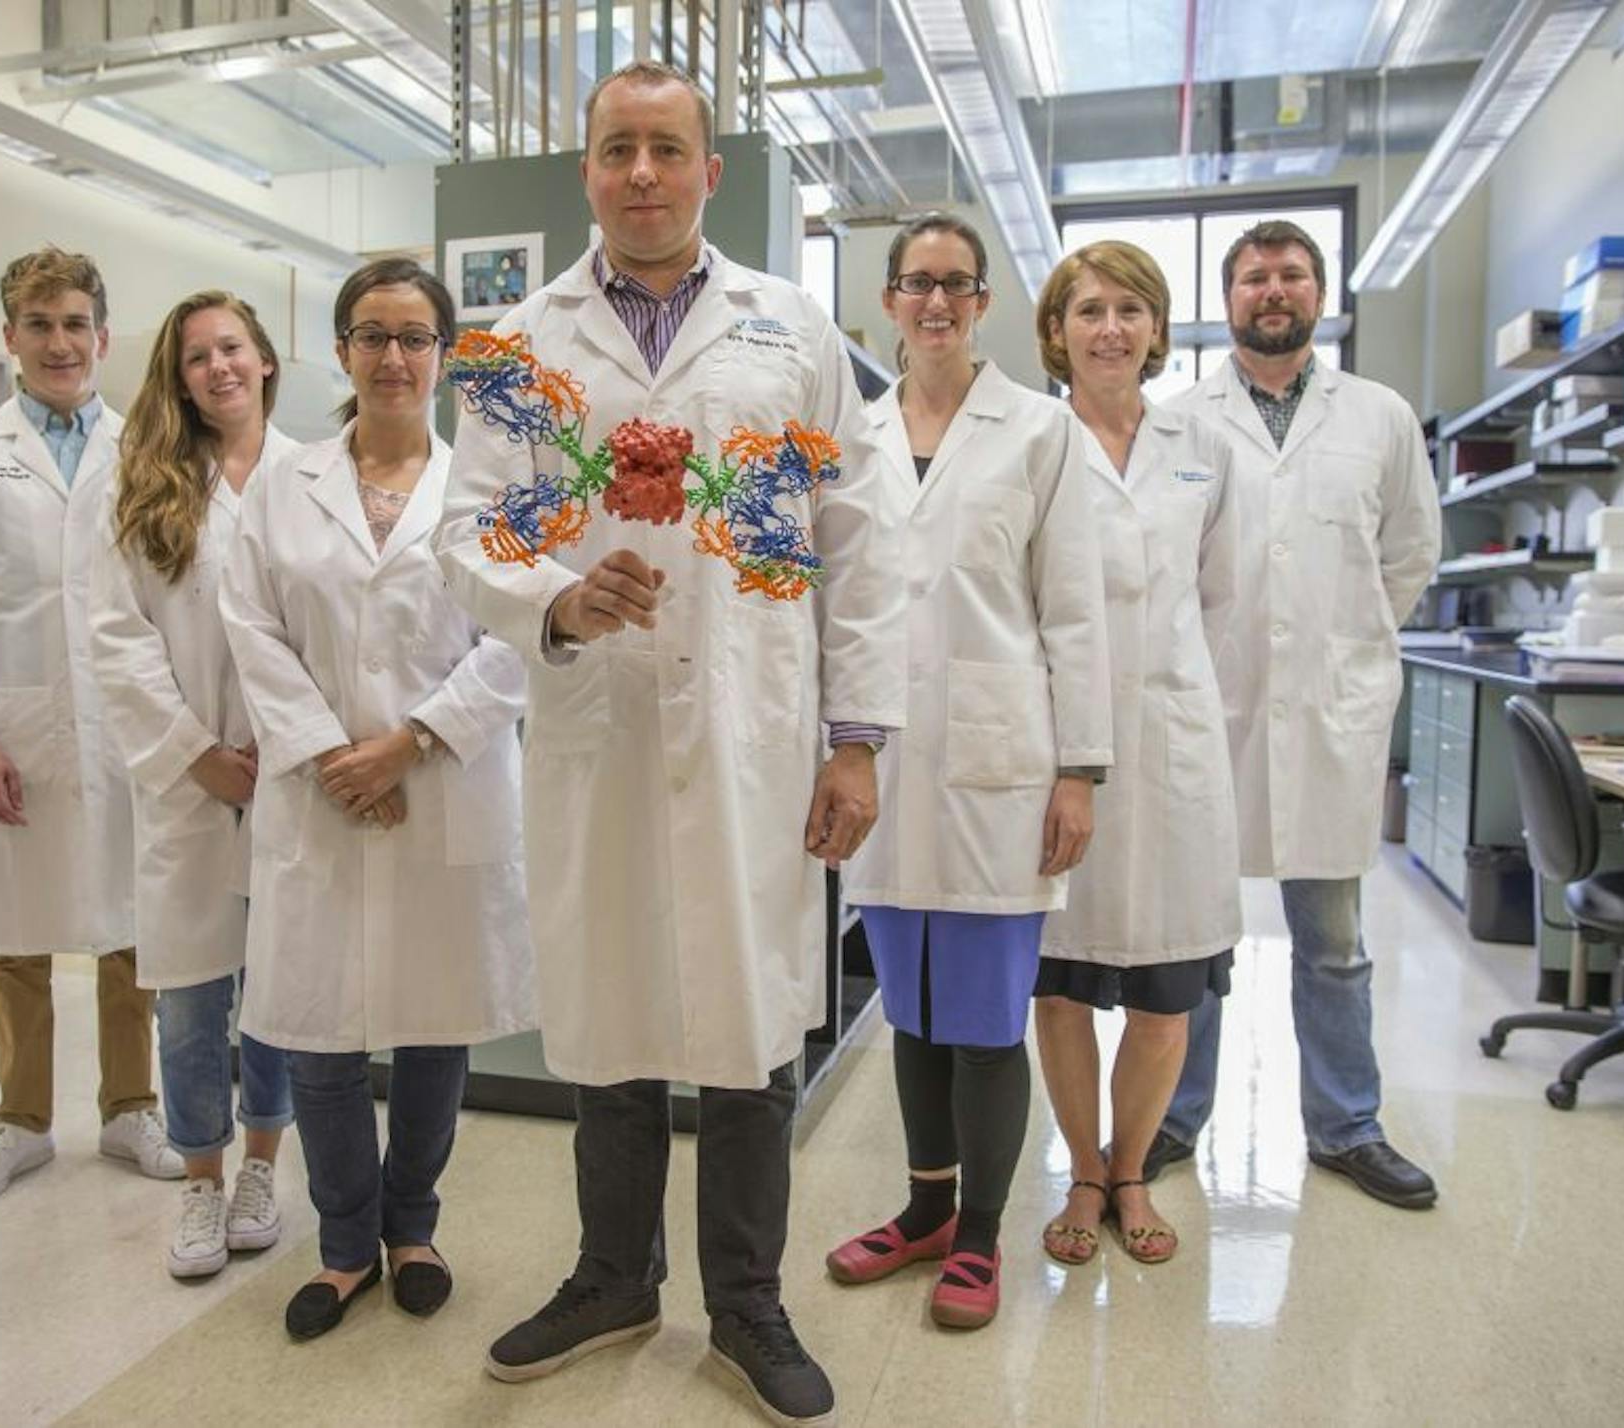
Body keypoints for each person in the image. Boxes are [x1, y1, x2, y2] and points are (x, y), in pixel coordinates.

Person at [434, 60, 904, 1428]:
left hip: (758, 735)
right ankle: (612, 1278)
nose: (642, 172)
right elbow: (468, 533)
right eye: (617, 149)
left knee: (751, 1025)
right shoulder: (521, 345)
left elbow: (862, 550)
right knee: (609, 1013)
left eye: (667, 149)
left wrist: (858, 741)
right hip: (596, 726)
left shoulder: (793, 335)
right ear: (586, 171)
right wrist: (554, 601)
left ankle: (745, 1302)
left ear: (708, 170)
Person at [219, 257, 535, 1340]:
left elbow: (518, 636)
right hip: (321, 797)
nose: (393, 356)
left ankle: (415, 1228)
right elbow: (249, 627)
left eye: (413, 337)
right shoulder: (282, 483)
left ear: (444, 358)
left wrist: (407, 745)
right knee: (319, 1032)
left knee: (435, 1024)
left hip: (436, 782)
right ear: (343, 352)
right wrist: (328, 756)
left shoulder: (485, 491)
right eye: (371, 335)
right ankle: (346, 1243)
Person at [822, 215, 1109, 1331]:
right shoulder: (853, 433)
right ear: (888, 301)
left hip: (1003, 763)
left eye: (955, 284)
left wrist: (1080, 769)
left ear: (983, 301)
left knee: (986, 1019)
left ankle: (981, 1234)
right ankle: (924, 1208)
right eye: (915, 284)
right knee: (913, 1014)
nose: (934, 303)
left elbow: (1074, 610)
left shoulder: (1040, 430)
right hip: (884, 764)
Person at [1155, 219, 1442, 1209]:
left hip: (1331, 711)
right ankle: (1173, 1115)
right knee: (1194, 937)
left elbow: (1409, 554)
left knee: (1332, 943)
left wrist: (1347, 645)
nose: (1271, 291)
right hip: (1213, 710)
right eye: (1251, 278)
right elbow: (1163, 566)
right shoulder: (1181, 421)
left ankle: (1346, 1124)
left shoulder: (1380, 417)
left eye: (1290, 275)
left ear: (1320, 294)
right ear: (1226, 299)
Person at [0, 245, 180, 1208]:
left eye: (75, 324)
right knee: (15, 930)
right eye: (40, 325)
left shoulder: (145, 448)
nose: (59, 343)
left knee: (131, 926)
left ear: (102, 337)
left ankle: (129, 1108)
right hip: (15, 727)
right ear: (10, 339)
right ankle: (20, 1124)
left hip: (124, 723)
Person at [1027, 241, 1242, 1269]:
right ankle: (1079, 1165)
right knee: (1061, 983)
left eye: (1129, 309)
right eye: (1088, 310)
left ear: (1157, 329)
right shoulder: (1030, 441)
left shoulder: (1201, 448)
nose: (1109, 327)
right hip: (1058, 746)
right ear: (1056, 331)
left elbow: (1226, 600)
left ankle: (1131, 1170)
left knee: (1169, 989)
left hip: (1175, 748)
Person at [89, 290, 300, 1278]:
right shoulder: (146, 484)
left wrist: (291, 749)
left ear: (264, 359)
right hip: (188, 778)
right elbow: (116, 639)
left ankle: (263, 1163)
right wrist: (195, 751)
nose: (216, 367)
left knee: (278, 994)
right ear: (178, 380)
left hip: (292, 777)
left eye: (231, 348)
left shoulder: (313, 475)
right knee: (186, 999)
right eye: (195, 358)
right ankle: (202, 1182)